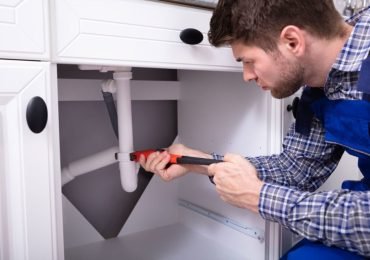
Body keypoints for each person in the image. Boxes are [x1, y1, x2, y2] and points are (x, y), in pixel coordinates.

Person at [139, 0, 370, 259]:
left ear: (292, 41)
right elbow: (297, 170)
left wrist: (258, 196)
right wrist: (199, 162)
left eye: (248, 61)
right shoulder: (318, 88)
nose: (246, 76)